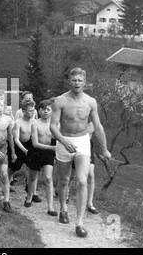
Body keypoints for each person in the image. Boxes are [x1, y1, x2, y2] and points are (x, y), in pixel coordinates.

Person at [50, 67, 111, 238]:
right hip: (64, 140)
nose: (76, 83)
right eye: (74, 80)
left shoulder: (91, 102)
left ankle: (79, 223)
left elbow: (98, 127)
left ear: (85, 82)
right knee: (63, 180)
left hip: (83, 141)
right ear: (69, 81)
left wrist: (104, 148)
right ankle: (63, 208)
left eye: (79, 80)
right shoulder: (60, 101)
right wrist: (63, 140)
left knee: (83, 181)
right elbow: (53, 126)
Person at [28, 99, 57, 216]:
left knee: (48, 178)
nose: (45, 111)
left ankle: (50, 207)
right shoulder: (35, 123)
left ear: (51, 111)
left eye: (48, 109)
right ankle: (29, 196)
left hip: (48, 154)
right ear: (39, 111)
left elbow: (59, 138)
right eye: (43, 109)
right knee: (32, 177)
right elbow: (35, 143)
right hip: (36, 152)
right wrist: (52, 148)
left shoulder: (55, 124)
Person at [11, 99, 41, 203]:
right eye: (30, 111)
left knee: (31, 169)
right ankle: (8, 179)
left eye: (33, 110)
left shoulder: (35, 122)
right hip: (20, 146)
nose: (33, 113)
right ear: (23, 111)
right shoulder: (18, 123)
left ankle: (30, 193)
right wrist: (24, 150)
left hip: (30, 146)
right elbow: (16, 139)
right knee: (14, 167)